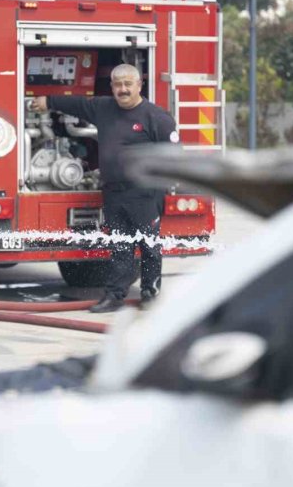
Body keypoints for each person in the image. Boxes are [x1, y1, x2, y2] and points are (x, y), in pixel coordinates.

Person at [29, 63, 180, 313]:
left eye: (127, 84)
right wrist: (48, 101)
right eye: (117, 84)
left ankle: (150, 295)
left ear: (139, 86)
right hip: (113, 193)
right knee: (120, 247)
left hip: (144, 194)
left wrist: (161, 188)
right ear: (111, 86)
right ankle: (114, 297)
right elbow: (75, 104)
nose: (122, 89)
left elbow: (173, 157)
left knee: (149, 247)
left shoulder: (157, 118)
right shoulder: (103, 108)